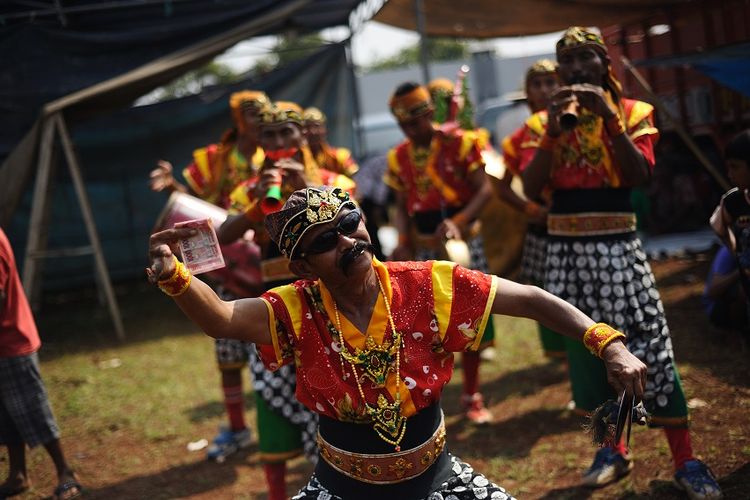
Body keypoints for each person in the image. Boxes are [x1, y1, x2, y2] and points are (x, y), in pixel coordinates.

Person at [147, 185, 648, 500]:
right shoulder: (294, 307)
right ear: (302, 267)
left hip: (437, 480)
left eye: (349, 224)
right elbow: (223, 318)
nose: (348, 241)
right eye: (326, 242)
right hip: (341, 489)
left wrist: (608, 344)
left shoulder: (427, 284)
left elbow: (531, 299)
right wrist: (177, 278)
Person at [521, 27, 722, 499]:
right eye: (566, 62)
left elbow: (641, 176)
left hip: (617, 247)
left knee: (648, 343)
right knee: (589, 352)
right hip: (566, 252)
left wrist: (610, 119)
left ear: (604, 64)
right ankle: (613, 450)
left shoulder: (634, 113)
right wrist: (552, 131)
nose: (574, 70)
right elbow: (531, 190)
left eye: (584, 59)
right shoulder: (538, 125)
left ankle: (685, 459)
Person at [217, 101, 355, 500]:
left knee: (333, 391)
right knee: (271, 390)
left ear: (301, 136)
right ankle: (277, 492)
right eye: (270, 135)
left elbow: (355, 219)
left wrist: (309, 186)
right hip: (276, 304)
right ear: (259, 140)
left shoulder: (330, 178)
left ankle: (340, 483)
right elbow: (224, 234)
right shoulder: (250, 188)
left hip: (328, 301)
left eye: (286, 133)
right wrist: (257, 204)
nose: (279, 142)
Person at [149, 90, 269, 462]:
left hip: (268, 255)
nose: (259, 119)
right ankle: (237, 426)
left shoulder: (277, 157)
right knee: (227, 344)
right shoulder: (215, 159)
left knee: (273, 344)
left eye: (263, 112)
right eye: (251, 112)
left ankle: (284, 425)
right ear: (237, 119)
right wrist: (173, 188)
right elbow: (195, 205)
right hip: (221, 257)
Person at [384, 82, 496, 424]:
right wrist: (402, 237)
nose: (411, 130)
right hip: (423, 247)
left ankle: (472, 395)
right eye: (404, 125)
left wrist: (459, 222)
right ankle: (433, 397)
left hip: (462, 241)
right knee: (427, 324)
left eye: (416, 122)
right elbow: (402, 205)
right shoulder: (398, 156)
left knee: (469, 316)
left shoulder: (462, 142)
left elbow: (485, 190)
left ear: (430, 113)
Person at [0, 228, 81, 500]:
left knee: (32, 409)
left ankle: (65, 471)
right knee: (8, 414)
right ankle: (18, 474)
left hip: (12, 341)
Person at [494, 59, 566, 360]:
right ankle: (561, 353)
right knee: (547, 289)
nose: (545, 90)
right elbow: (500, 184)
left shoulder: (579, 126)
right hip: (542, 224)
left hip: (573, 217)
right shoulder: (519, 137)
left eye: (551, 82)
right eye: (537, 84)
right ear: (528, 92)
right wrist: (529, 208)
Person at [710, 129, 750, 338]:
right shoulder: (734, 201)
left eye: (735, 167)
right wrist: (735, 250)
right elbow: (718, 225)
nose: (730, 174)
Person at [303, 107, 359, 178]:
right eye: (307, 127)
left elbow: (353, 177)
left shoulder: (340, 156)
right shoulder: (298, 158)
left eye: (317, 126)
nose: (312, 132)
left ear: (324, 130)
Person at [702, 245, 747, 333]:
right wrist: (741, 271)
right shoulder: (728, 251)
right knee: (742, 288)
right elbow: (712, 291)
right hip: (717, 307)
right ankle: (737, 331)